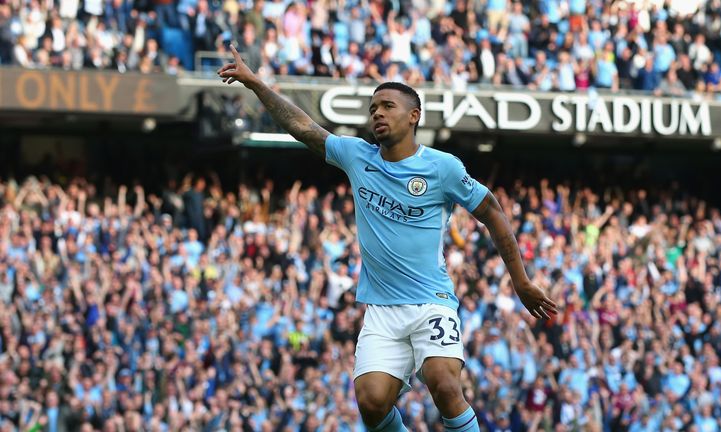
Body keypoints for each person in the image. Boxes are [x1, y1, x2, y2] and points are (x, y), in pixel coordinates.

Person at [217, 44, 558, 432]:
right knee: (371, 402)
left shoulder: (442, 168)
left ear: (414, 116)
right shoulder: (357, 156)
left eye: (387, 106)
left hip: (432, 301)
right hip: (382, 309)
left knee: (444, 384)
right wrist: (257, 84)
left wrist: (521, 281)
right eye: (373, 107)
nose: (377, 112)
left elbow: (492, 211)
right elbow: (303, 127)